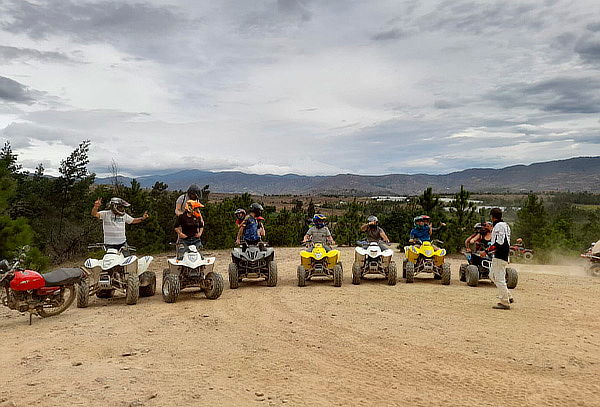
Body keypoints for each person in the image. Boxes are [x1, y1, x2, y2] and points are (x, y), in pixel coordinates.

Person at [481, 208, 514, 310]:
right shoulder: (506, 225)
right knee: (492, 275)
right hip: (503, 255)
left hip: (500, 255)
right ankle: (508, 295)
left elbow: (499, 243)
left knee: (499, 278)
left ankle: (505, 302)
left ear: (492, 216)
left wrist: (486, 251)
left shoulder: (498, 226)